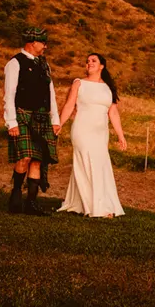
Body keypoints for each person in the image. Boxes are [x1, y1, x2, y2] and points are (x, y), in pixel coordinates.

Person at [57, 52, 127, 218]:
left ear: (102, 66)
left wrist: (121, 135)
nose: (89, 63)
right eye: (87, 61)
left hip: (101, 133)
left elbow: (114, 113)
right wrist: (59, 124)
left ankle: (84, 202)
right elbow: (69, 106)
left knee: (100, 165)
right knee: (88, 163)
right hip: (82, 129)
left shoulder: (108, 87)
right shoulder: (79, 83)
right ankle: (96, 207)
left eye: (93, 60)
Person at [4, 27, 60, 216]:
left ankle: (31, 203)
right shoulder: (15, 63)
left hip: (43, 117)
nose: (45, 46)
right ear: (32, 42)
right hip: (22, 116)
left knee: (38, 159)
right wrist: (11, 122)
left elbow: (50, 93)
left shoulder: (44, 64)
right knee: (25, 157)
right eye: (43, 42)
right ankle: (16, 194)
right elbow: (9, 95)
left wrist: (55, 119)